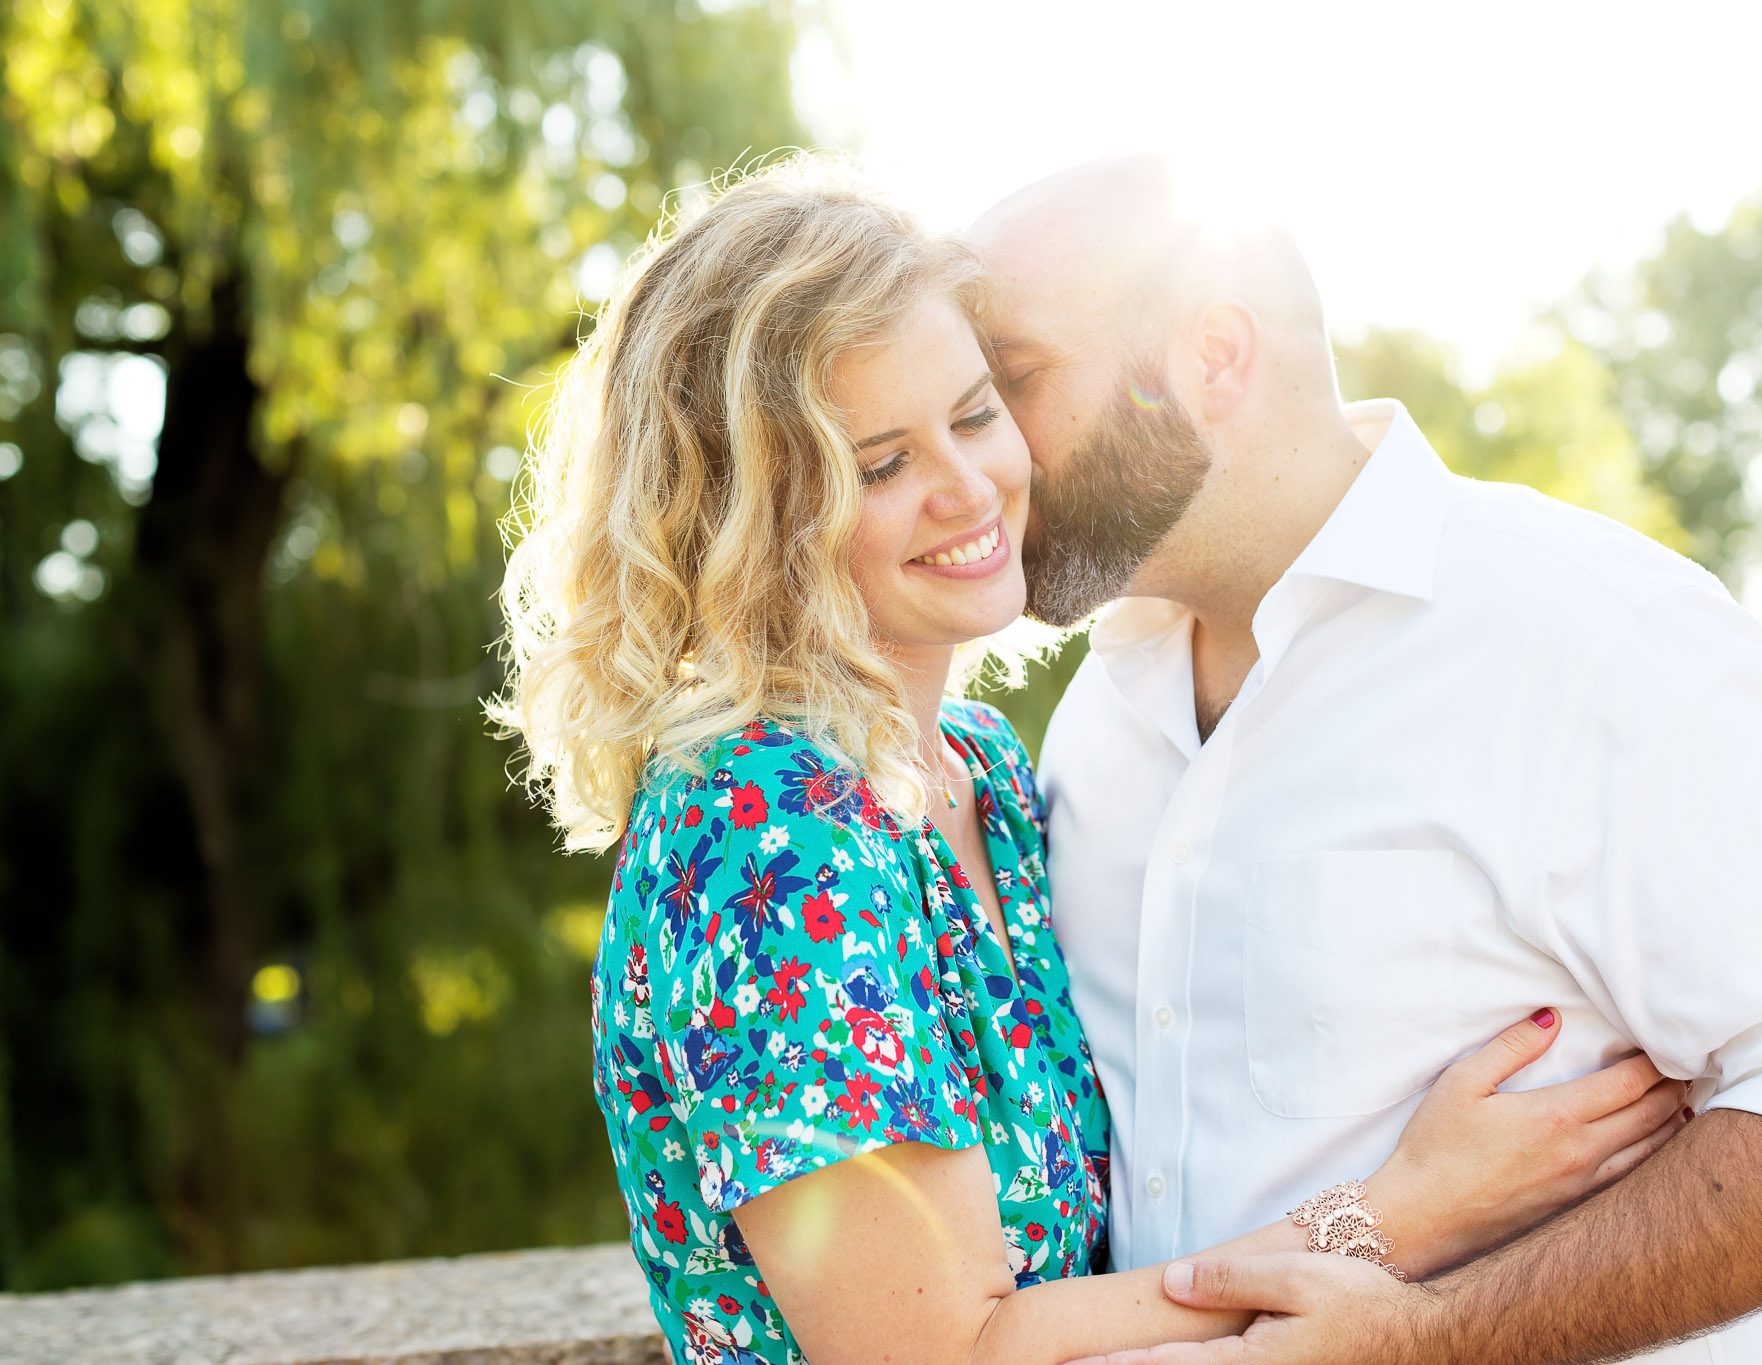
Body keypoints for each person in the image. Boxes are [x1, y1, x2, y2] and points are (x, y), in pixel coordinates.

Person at [490, 155, 1689, 1365]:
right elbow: (941, 1354)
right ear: (749, 517)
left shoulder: (984, 774)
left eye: (976, 414)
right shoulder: (763, 828)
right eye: (881, 465)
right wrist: (1403, 1214)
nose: (969, 488)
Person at [964, 156, 1762, 1365]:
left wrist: (1437, 1339)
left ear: (1212, 357)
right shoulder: (1098, 710)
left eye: (1009, 383)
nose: (974, 454)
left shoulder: (1599, 635)